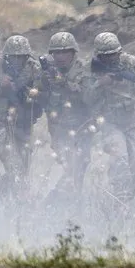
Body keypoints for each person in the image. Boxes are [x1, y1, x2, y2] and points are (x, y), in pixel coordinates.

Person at [84, 32, 135, 204]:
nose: (110, 59)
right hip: (110, 124)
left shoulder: (132, 64)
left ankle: (126, 200)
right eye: (105, 56)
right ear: (98, 55)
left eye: (113, 55)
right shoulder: (91, 69)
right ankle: (118, 199)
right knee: (119, 160)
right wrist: (100, 83)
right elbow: (86, 98)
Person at [0, 35, 44, 205]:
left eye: (21, 56)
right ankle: (21, 206)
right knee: (13, 166)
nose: (17, 60)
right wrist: (0, 85)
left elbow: (43, 91)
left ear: (26, 56)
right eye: (13, 56)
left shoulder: (34, 68)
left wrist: (32, 94)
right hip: (3, 122)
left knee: (22, 170)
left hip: (24, 123)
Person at [37, 32, 94, 211]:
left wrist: (62, 82)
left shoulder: (83, 71)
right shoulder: (47, 73)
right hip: (59, 129)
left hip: (81, 128)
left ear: (73, 52)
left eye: (64, 52)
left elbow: (87, 96)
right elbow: (38, 96)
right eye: (56, 53)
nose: (60, 57)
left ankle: (61, 205)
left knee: (79, 165)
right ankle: (57, 204)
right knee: (71, 166)